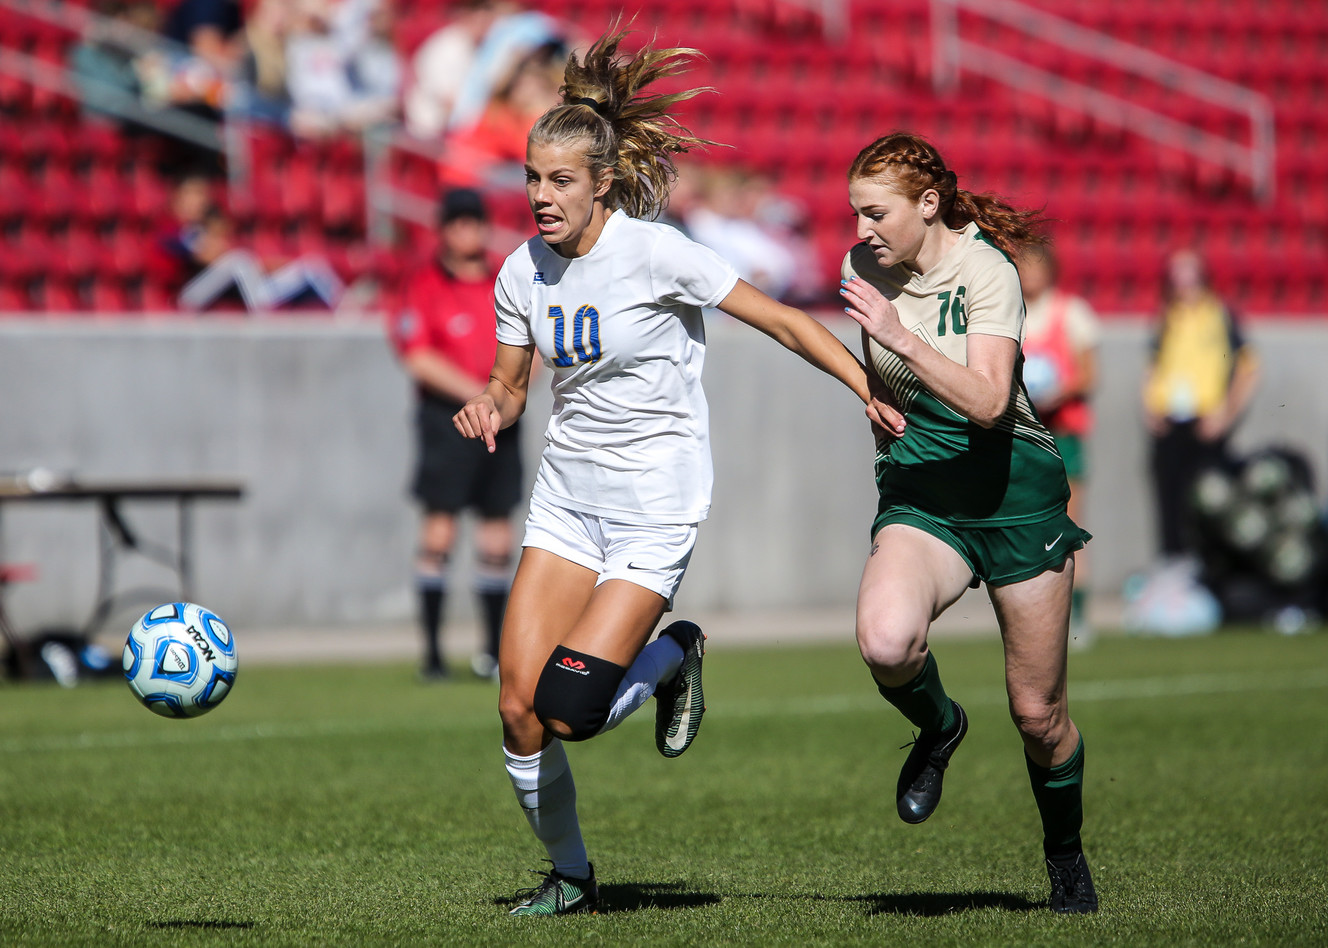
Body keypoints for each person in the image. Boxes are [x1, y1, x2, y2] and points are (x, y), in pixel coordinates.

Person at [452, 28, 881, 917]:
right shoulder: (519, 271)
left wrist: (864, 384)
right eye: (532, 178)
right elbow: (511, 379)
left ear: (602, 183)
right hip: (569, 499)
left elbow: (784, 321)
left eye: (560, 180)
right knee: (517, 709)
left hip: (654, 504)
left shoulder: (657, 252)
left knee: (570, 709)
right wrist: (491, 404)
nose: (540, 196)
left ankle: (675, 653)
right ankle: (571, 878)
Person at [837, 131, 1098, 914]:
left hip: (1012, 492)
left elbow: (989, 403)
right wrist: (873, 406)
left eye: (875, 213)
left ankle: (1064, 855)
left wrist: (900, 339)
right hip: (926, 492)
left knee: (1038, 716)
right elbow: (882, 374)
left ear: (926, 205)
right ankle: (941, 726)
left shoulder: (988, 269)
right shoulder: (864, 268)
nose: (861, 232)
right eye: (854, 213)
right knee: (886, 642)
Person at [386, 187, 520, 682]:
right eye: (457, 223)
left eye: (474, 222)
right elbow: (416, 354)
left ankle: (492, 651)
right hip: (448, 421)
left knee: (497, 535)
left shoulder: (504, 278)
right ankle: (434, 654)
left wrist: (503, 397)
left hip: (500, 423)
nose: (467, 232)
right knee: (439, 532)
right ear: (442, 229)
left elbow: (530, 343)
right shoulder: (423, 284)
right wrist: (482, 393)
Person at [1142, 247, 1259, 561]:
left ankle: (1212, 568)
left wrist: (1227, 413)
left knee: (1209, 499)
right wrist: (1150, 406)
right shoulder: (1167, 316)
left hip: (1207, 422)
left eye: (1189, 270)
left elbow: (1248, 368)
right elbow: (1154, 365)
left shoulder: (1220, 314)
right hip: (1171, 421)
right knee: (1170, 501)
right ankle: (1174, 568)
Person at [1017, 243, 1100, 646]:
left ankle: (1078, 618)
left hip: (1062, 434)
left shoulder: (1072, 313)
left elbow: (1089, 374)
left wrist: (1055, 393)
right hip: (1023, 436)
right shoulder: (1008, 312)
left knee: (1068, 524)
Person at [150, 174, 345, 312]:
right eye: (193, 195)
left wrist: (266, 266)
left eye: (202, 195)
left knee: (311, 266)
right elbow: (209, 256)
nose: (200, 201)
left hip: (224, 290)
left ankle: (347, 307)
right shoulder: (169, 227)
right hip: (184, 298)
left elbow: (222, 255)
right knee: (239, 260)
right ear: (177, 199)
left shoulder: (202, 227)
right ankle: (263, 310)